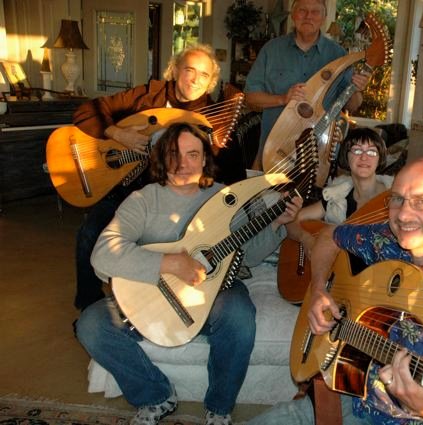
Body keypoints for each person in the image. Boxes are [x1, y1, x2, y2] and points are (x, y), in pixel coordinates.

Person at [249, 158, 423, 425]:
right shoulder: (388, 239)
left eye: (422, 201)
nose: (403, 215)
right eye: (398, 199)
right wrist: (318, 289)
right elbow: (329, 236)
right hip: (352, 393)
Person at [75, 122, 302, 425]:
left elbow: (249, 253)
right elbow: (103, 254)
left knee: (238, 314)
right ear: (161, 158)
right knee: (91, 324)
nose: (182, 164)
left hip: (216, 294)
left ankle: (219, 407)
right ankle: (156, 396)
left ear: (205, 159)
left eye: (192, 154)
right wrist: (169, 263)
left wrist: (276, 223)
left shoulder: (225, 198)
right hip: (154, 296)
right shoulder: (143, 200)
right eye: (173, 154)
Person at [73, 43, 245, 310]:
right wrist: (119, 134)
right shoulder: (146, 97)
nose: (195, 80)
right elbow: (86, 111)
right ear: (174, 70)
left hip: (166, 203)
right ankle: (89, 306)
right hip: (124, 191)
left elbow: (234, 179)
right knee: (88, 234)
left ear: (211, 82)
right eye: (189, 70)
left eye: (204, 75)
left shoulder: (211, 122)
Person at [244, 0, 370, 170]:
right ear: (293, 15)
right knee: (263, 189)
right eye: (302, 10)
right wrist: (282, 99)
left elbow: (352, 106)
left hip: (318, 156)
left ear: (324, 18)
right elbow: (250, 97)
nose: (308, 16)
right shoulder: (271, 50)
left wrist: (356, 88)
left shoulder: (338, 55)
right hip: (272, 153)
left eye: (315, 12)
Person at [286, 127, 393, 256]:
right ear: (346, 156)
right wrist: (306, 239)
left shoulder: (395, 197)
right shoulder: (337, 196)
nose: (364, 157)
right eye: (357, 150)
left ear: (379, 158)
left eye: (371, 152)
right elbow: (292, 221)